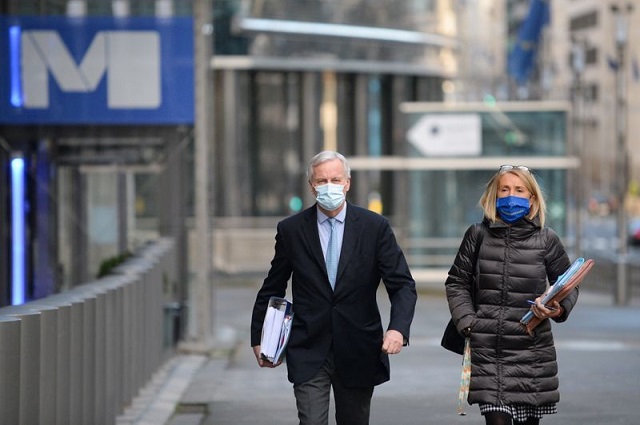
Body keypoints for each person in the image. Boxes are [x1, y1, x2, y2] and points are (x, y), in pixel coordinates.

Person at [250, 150, 417, 425]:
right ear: (311, 186)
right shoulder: (291, 230)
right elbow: (273, 286)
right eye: (322, 180)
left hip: (359, 347)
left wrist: (398, 328)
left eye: (335, 179)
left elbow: (402, 285)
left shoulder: (374, 227)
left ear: (347, 183)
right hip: (308, 346)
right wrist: (260, 337)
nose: (329, 186)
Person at [445, 165, 579, 425]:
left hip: (532, 352)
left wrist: (556, 309)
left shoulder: (547, 240)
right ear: (494, 196)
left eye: (519, 190)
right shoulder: (477, 235)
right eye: (504, 189)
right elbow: (456, 282)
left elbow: (568, 285)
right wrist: (469, 323)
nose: (510, 196)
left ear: (532, 199)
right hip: (488, 350)